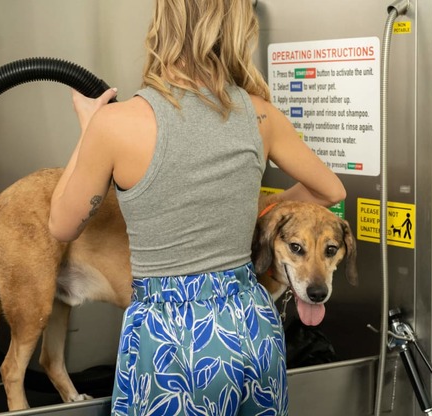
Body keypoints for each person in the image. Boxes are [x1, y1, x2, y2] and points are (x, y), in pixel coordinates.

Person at [48, 0, 345, 414]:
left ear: (162, 25)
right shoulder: (261, 115)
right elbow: (330, 190)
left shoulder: (116, 125)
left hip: (169, 338)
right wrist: (257, 211)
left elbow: (61, 225)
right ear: (238, 27)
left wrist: (88, 130)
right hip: (250, 325)